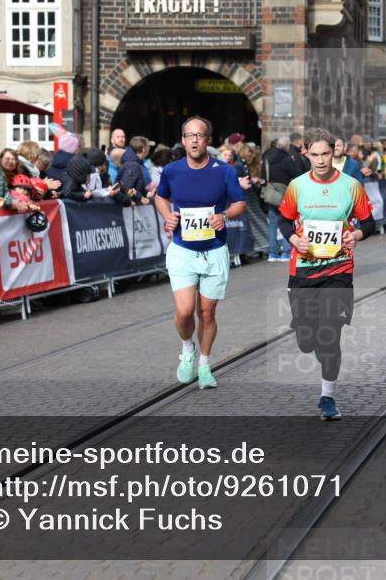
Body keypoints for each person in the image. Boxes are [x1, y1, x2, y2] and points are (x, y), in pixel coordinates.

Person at [278, 128, 375, 420]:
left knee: (330, 335)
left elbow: (369, 223)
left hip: (339, 270)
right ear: (306, 153)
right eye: (315, 154)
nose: (320, 161)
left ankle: (327, 398)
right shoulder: (296, 185)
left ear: (335, 152)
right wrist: (294, 240)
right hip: (304, 270)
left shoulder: (351, 185)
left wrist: (355, 235)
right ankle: (311, 337)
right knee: (308, 341)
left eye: (326, 154)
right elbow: (284, 222)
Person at [154, 116, 247, 389]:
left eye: (200, 135)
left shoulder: (224, 171)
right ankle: (187, 349)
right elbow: (161, 196)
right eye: (189, 135)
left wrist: (224, 215)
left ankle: (205, 365)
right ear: (183, 140)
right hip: (183, 250)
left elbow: (239, 202)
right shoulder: (171, 170)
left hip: (214, 250)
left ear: (208, 140)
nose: (194, 140)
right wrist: (167, 216)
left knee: (206, 313)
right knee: (184, 312)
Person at [262, 135, 301, 262]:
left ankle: (272, 253)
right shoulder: (287, 158)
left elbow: (263, 175)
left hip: (271, 194)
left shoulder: (267, 157)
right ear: (286, 146)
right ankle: (285, 252)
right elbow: (296, 174)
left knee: (272, 223)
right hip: (285, 193)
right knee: (286, 221)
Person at [117, 135, 151, 205]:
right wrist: (140, 197)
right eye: (148, 147)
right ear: (144, 149)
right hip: (130, 209)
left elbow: (135, 186)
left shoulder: (136, 163)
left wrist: (147, 193)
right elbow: (125, 187)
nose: (149, 150)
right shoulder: (133, 165)